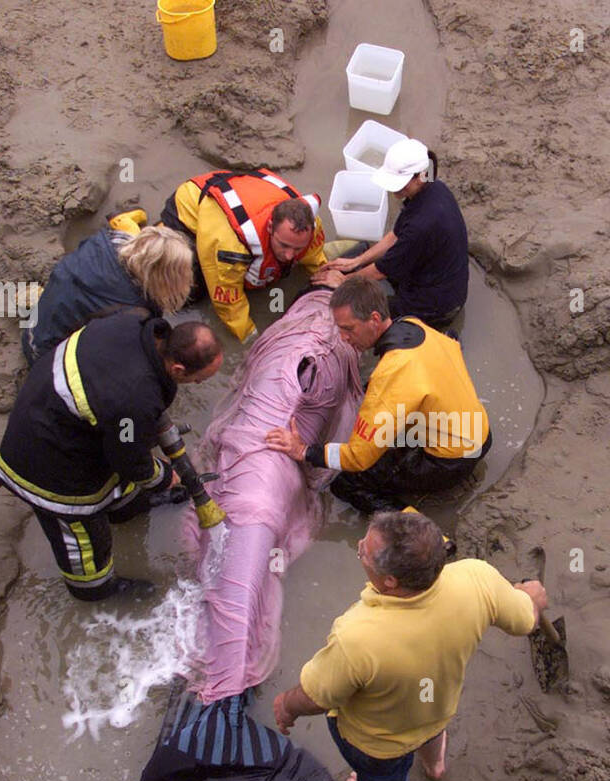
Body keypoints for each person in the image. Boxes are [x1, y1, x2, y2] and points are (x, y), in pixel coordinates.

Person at [272, 510, 548, 781]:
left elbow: (318, 697)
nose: (359, 546)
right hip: (437, 709)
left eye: (364, 550)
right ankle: (435, 765)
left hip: (378, 744)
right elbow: (525, 621)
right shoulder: (477, 578)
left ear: (390, 581)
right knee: (431, 731)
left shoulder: (357, 637)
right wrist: (531, 599)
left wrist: (286, 706)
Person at [0, 310, 223, 601]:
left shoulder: (134, 325)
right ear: (178, 370)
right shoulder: (135, 398)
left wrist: (146, 425)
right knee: (83, 531)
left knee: (119, 479)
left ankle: (126, 507)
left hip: (56, 410)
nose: (198, 385)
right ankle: (95, 589)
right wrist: (167, 476)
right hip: (46, 462)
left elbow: (124, 419)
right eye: (198, 380)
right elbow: (131, 463)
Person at [264, 277, 490, 514]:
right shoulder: (415, 326)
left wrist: (305, 451)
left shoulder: (391, 374)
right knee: (391, 437)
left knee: (349, 483)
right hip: (479, 432)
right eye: (339, 328)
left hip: (450, 461)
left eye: (349, 328)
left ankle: (422, 533)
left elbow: (358, 457)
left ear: (373, 319)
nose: (343, 337)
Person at [111, 168, 328, 343]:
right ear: (270, 226)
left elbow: (314, 254)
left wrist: (325, 274)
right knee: (185, 294)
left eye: (297, 249)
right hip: (190, 213)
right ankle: (130, 229)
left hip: (234, 199)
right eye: (284, 246)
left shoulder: (307, 224)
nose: (291, 256)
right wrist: (250, 338)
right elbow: (227, 301)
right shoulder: (231, 247)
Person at [316, 139, 468, 330]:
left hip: (438, 306)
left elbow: (381, 270)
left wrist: (343, 281)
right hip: (433, 273)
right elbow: (395, 235)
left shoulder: (422, 225)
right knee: (361, 265)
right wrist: (356, 261)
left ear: (420, 176)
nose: (394, 189)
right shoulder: (433, 189)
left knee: (364, 317)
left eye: (401, 185)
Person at [21, 224, 194, 364]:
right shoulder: (132, 311)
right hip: (45, 359)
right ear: (163, 277)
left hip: (34, 329)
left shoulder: (105, 242)